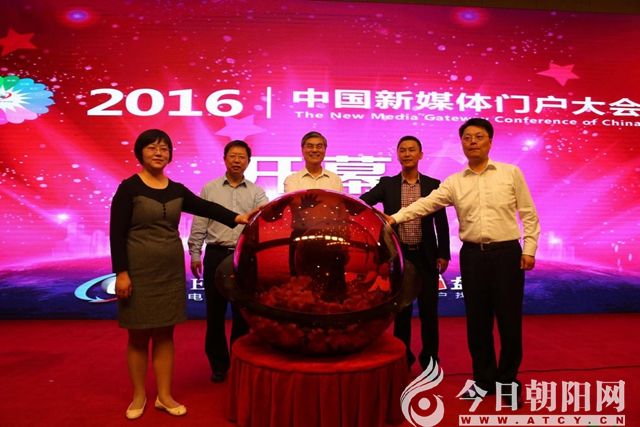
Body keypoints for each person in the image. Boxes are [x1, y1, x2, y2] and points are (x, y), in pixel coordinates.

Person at [388, 118, 540, 408]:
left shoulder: (510, 173)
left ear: (490, 141)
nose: (472, 142)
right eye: (467, 137)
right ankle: (483, 381)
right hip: (472, 257)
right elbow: (426, 204)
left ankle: (508, 382)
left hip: (507, 255)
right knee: (477, 323)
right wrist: (395, 218)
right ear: (462, 144)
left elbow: (529, 214)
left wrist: (529, 248)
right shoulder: (455, 182)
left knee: (509, 322)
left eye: (478, 136)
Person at [110, 129, 253, 420]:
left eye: (164, 148)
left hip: (170, 271)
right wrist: (121, 273)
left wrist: (237, 217)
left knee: (165, 334)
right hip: (138, 271)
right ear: (140, 153)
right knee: (138, 336)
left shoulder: (176, 189)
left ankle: (164, 396)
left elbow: (205, 207)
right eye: (152, 148)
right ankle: (138, 395)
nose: (159, 153)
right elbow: (116, 233)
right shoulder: (129, 188)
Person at [360, 135, 450, 370]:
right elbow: (363, 202)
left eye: (412, 150)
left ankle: (430, 359)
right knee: (402, 312)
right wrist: (379, 219)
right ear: (398, 155)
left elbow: (441, 223)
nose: (407, 154)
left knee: (429, 311)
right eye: (403, 150)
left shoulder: (432, 185)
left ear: (420, 154)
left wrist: (444, 253)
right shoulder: (387, 184)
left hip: (426, 256)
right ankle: (403, 358)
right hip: (399, 257)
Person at [188, 140, 268, 383]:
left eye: (241, 157)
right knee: (215, 313)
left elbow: (263, 223)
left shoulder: (256, 192)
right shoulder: (210, 189)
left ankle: (240, 360)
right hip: (215, 254)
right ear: (224, 159)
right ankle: (218, 365)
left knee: (243, 314)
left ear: (248, 162)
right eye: (232, 156)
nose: (236, 160)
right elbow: (200, 222)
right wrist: (195, 253)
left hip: (243, 257)